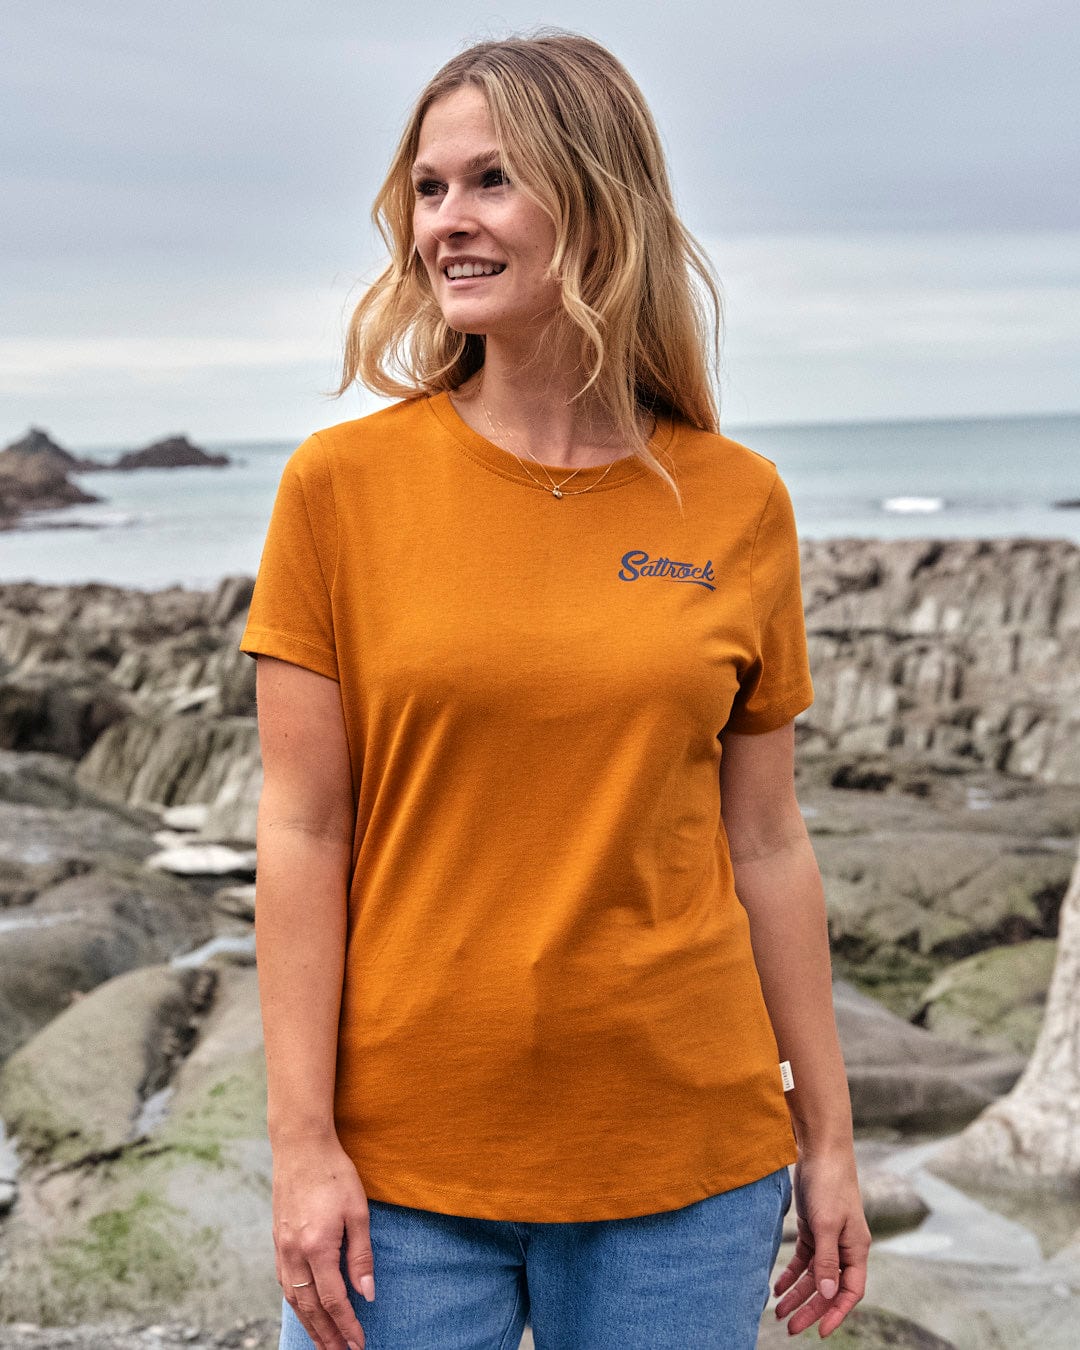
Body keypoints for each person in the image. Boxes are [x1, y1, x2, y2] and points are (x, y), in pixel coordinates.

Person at [240, 29, 870, 1350]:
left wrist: (829, 1136)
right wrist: (302, 1145)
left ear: (595, 201)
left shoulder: (739, 498)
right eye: (428, 187)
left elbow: (765, 839)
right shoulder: (339, 488)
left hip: (686, 1163)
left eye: (491, 182)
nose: (446, 224)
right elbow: (302, 831)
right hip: (402, 1169)